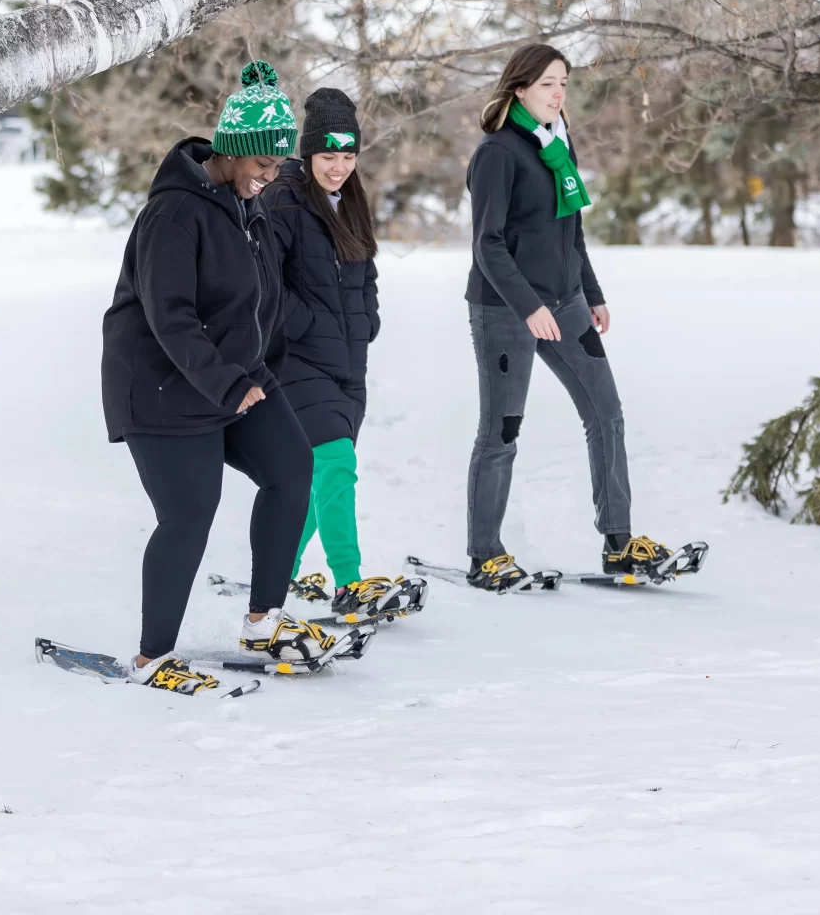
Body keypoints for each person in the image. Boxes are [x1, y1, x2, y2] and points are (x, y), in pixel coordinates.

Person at [100, 61, 342, 693]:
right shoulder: (174, 215)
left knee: (293, 468)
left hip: (233, 379)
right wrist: (232, 383)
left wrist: (263, 369)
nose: (270, 176)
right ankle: (153, 657)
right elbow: (169, 317)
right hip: (160, 387)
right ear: (232, 152)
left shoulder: (245, 205)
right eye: (263, 164)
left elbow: (258, 298)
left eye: (277, 165)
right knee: (189, 515)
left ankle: (264, 618)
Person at [464, 43, 670, 591]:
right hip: (506, 309)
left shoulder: (560, 147)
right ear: (520, 89)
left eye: (564, 83)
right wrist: (528, 307)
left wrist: (592, 293)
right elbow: (488, 245)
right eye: (549, 83)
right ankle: (485, 555)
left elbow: (570, 231)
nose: (559, 93)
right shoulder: (497, 154)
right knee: (501, 431)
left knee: (607, 413)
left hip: (567, 301)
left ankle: (620, 543)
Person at [262, 89, 423, 621]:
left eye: (348, 156)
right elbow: (264, 285)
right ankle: (349, 582)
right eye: (328, 156)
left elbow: (365, 271)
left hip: (349, 363)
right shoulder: (281, 201)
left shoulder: (352, 199)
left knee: (318, 476)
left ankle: (278, 570)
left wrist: (366, 320)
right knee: (336, 463)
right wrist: (309, 327)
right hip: (298, 360)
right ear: (308, 154)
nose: (339, 167)